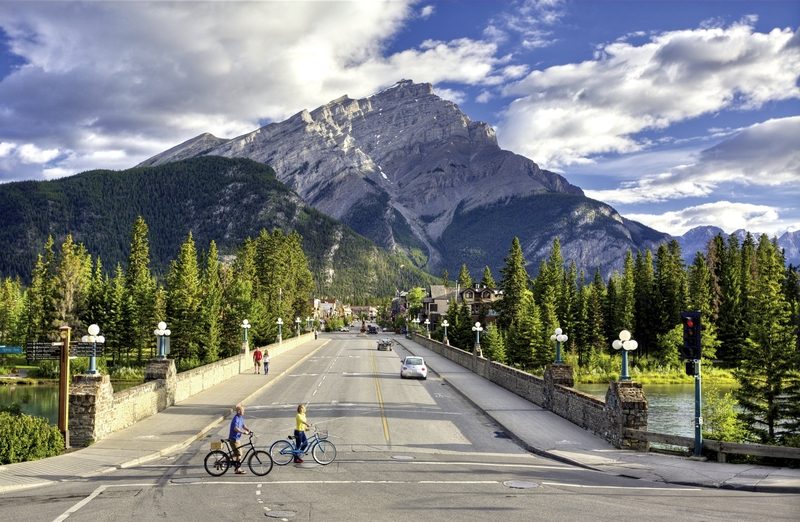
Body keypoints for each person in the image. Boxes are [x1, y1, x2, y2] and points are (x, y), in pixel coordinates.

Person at [228, 404, 251, 474]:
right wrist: (243, 432)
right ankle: (237, 469)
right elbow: (235, 428)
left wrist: (248, 430)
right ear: (238, 411)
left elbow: (243, 425)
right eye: (242, 410)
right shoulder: (236, 418)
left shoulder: (240, 417)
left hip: (237, 439)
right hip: (233, 439)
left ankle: (226, 458)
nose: (244, 411)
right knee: (239, 454)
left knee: (238, 453)